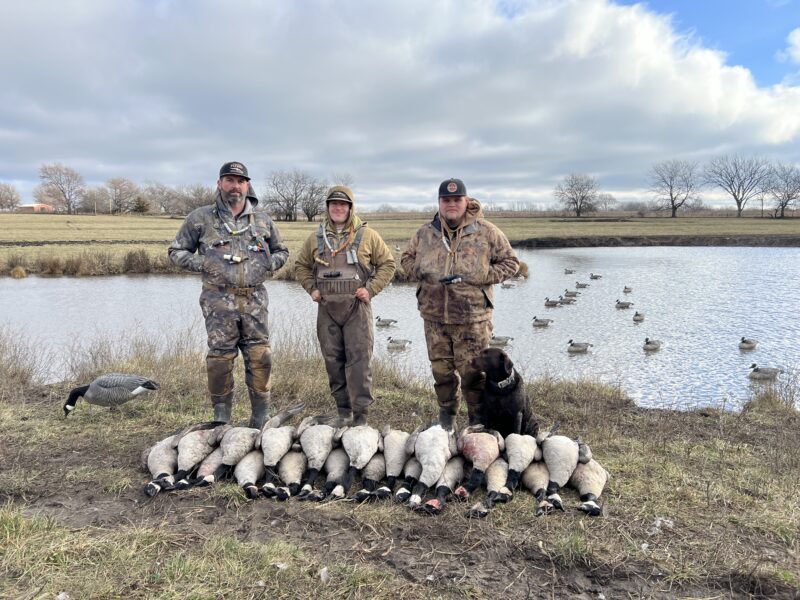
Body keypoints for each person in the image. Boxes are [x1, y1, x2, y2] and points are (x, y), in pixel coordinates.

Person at [168, 161, 289, 428]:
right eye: (229, 180)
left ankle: (260, 416)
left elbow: (282, 251)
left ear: (248, 185)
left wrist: (270, 264)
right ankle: (221, 416)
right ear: (219, 183)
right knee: (220, 359)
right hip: (218, 300)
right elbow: (176, 251)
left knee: (260, 356)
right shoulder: (201, 218)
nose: (235, 186)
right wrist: (205, 264)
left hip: (255, 299)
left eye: (240, 181)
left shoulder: (263, 220)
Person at [400, 178, 519, 430]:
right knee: (441, 373)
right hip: (434, 317)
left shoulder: (486, 231)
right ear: (440, 203)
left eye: (457, 200)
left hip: (472, 319)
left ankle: (478, 422)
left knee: (473, 376)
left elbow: (511, 263)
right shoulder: (425, 233)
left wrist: (483, 276)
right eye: (446, 200)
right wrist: (420, 271)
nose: (451, 204)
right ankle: (447, 420)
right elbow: (406, 259)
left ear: (466, 201)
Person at [294, 185, 396, 425]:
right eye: (334, 204)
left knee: (359, 363)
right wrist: (312, 288)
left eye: (343, 204)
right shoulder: (316, 237)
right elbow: (300, 266)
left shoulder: (368, 235)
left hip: (357, 310)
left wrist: (370, 290)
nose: (338, 208)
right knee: (333, 361)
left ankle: (360, 418)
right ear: (328, 208)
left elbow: (388, 264)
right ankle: (343, 413)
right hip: (327, 310)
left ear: (351, 208)